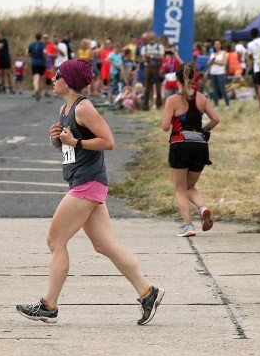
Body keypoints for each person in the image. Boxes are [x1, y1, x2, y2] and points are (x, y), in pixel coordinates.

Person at [16, 59, 164, 325]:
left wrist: (75, 140)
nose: (53, 78)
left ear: (69, 80)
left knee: (55, 241)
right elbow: (72, 149)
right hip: (84, 181)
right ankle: (147, 292)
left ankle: (48, 305)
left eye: (57, 75)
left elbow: (108, 141)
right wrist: (57, 140)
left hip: (87, 183)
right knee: (104, 244)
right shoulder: (66, 108)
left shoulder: (84, 108)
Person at [162, 62, 220, 237]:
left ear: (176, 79)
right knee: (190, 185)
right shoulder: (201, 98)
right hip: (200, 146)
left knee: (180, 188)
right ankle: (202, 208)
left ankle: (188, 226)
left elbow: (165, 127)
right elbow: (216, 119)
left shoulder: (173, 100)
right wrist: (205, 130)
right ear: (194, 78)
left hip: (180, 144)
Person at [206, 39, 229, 108]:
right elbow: (208, 64)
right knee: (214, 89)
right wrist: (212, 61)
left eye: (218, 44)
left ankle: (227, 103)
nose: (217, 46)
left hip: (221, 73)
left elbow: (224, 63)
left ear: (220, 45)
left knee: (222, 89)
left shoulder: (223, 53)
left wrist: (215, 62)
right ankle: (216, 104)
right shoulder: (212, 54)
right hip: (213, 73)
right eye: (215, 44)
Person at [27, 33, 46, 101]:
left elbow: (28, 54)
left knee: (35, 78)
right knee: (40, 78)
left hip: (34, 63)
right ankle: (39, 93)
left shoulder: (31, 45)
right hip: (41, 63)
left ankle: (36, 90)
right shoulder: (42, 45)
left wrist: (32, 55)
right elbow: (44, 53)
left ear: (35, 37)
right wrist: (45, 59)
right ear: (41, 38)